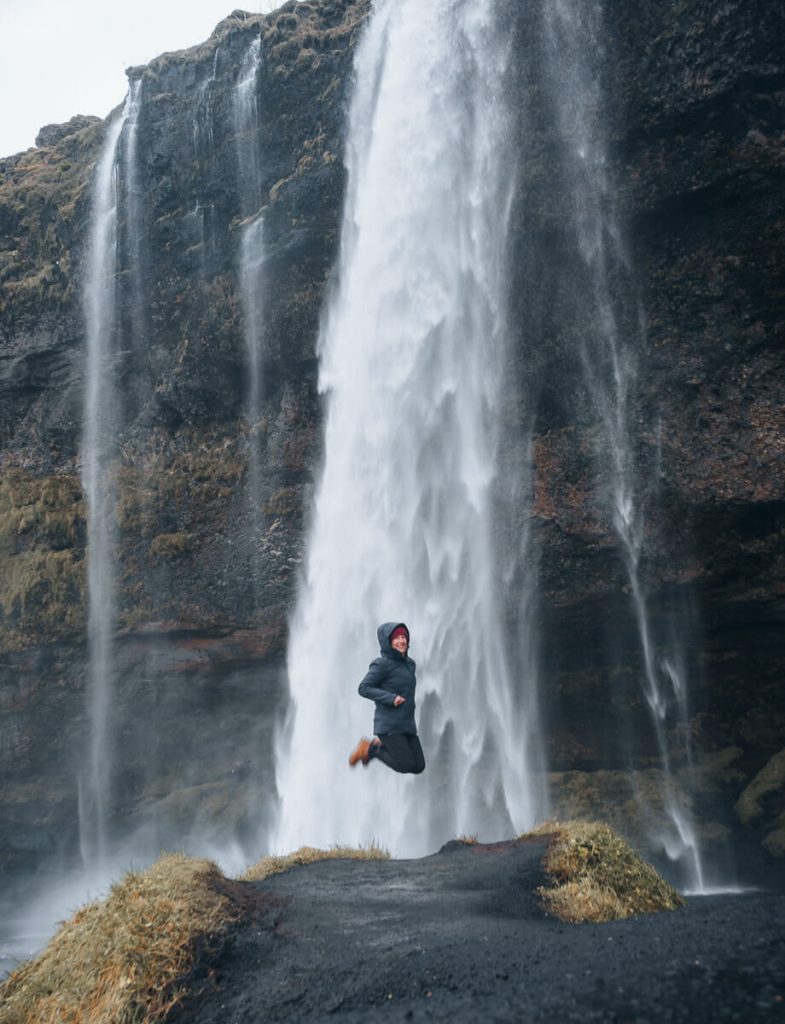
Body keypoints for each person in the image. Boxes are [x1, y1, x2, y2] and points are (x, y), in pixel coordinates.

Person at [348, 622, 425, 774]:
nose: (401, 641)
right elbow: (363, 688)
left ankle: (377, 745)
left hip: (407, 724)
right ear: (388, 642)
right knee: (406, 765)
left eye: (404, 637)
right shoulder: (382, 664)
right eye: (396, 638)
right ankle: (370, 749)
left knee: (418, 766)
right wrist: (391, 698)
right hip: (389, 725)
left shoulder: (410, 665)